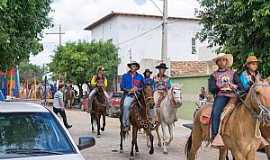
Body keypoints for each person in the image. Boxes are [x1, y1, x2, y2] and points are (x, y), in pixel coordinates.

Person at [208, 53, 241, 146]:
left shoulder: (233, 73)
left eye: (224, 60)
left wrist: (233, 86)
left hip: (233, 95)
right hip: (221, 95)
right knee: (215, 112)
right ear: (217, 63)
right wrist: (220, 86)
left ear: (226, 61)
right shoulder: (213, 75)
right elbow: (211, 88)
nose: (222, 62)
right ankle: (215, 136)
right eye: (220, 60)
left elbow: (239, 85)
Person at [120, 61, 144, 131]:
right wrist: (129, 90)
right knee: (126, 105)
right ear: (130, 67)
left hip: (138, 95)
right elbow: (122, 86)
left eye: (135, 66)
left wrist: (137, 88)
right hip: (129, 95)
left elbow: (143, 86)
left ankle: (149, 122)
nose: (133, 67)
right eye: (132, 66)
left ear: (137, 67)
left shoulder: (140, 77)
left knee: (148, 104)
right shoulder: (125, 76)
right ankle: (126, 124)